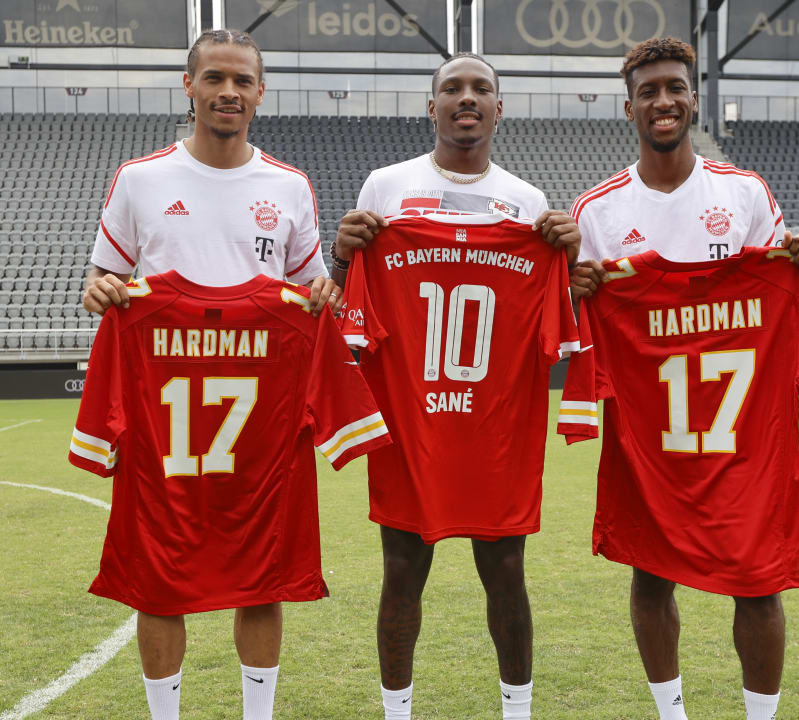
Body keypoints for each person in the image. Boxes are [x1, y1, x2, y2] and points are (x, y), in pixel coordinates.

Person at [79, 29, 342, 720]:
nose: (229, 91)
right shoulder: (141, 179)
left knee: (263, 578)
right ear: (189, 87)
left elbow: (313, 292)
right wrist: (102, 290)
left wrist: (323, 298)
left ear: (261, 93)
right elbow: (100, 280)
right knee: (157, 584)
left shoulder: (287, 186)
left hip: (262, 423)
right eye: (216, 78)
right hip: (164, 423)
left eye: (243, 80)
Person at [566, 38, 799, 720]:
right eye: (649, 91)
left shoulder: (743, 192)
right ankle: (671, 714)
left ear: (692, 98)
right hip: (651, 435)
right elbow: (574, 323)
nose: (664, 101)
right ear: (629, 109)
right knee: (650, 574)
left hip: (745, 435)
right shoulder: (596, 212)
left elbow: (783, 289)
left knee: (759, 581)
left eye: (674, 88)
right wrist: (576, 291)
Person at [331, 53, 580, 720]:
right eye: (452, 89)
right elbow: (352, 304)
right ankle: (396, 711)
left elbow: (558, 316)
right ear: (432, 106)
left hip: (494, 425)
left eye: (480, 89)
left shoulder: (527, 203)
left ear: (499, 108)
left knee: (506, 575)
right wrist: (343, 250)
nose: (466, 99)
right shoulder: (384, 186)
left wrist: (566, 253)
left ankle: (517, 710)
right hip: (410, 421)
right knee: (402, 574)